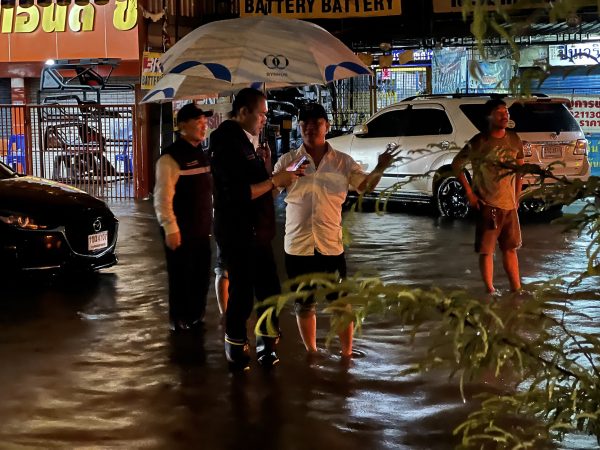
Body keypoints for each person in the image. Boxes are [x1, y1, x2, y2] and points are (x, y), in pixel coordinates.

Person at [273, 102, 398, 358]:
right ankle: (312, 352)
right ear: (299, 127)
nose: (310, 128)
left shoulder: (342, 162)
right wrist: (278, 175)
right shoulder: (288, 160)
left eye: (316, 123)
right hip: (298, 245)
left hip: (330, 244)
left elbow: (364, 187)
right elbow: (270, 192)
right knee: (304, 303)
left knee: (340, 302)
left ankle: (347, 354)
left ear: (326, 126)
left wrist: (381, 166)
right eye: (305, 123)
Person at [210, 88, 297, 370]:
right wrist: (274, 181)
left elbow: (260, 188)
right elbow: (237, 193)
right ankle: (236, 346)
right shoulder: (226, 142)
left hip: (259, 233)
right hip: (239, 232)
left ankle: (267, 342)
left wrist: (272, 170)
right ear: (244, 112)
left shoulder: (248, 143)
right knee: (243, 293)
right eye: (261, 113)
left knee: (270, 290)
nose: (264, 118)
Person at [451, 98, 524, 294]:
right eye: (500, 113)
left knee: (511, 248)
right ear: (489, 116)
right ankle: (490, 291)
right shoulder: (480, 142)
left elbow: (520, 168)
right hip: (488, 204)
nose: (505, 116)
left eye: (506, 112)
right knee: (487, 250)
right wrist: (470, 194)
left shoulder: (514, 139)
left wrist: (517, 195)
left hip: (510, 205)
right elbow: (456, 165)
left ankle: (516, 289)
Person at [153, 103, 214, 332]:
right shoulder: (171, 158)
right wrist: (170, 227)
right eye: (197, 122)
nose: (203, 126)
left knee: (200, 277)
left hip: (201, 229)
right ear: (181, 126)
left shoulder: (201, 154)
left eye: (204, 122)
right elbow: (162, 197)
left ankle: (195, 317)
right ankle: (180, 321)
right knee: (181, 278)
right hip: (181, 231)